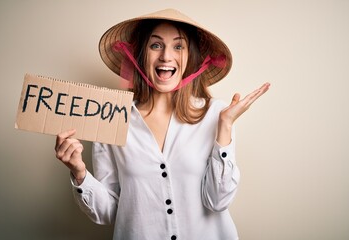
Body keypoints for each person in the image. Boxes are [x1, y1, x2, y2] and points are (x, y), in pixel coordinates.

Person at [55, 8, 270, 240]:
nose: (166, 56)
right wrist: (79, 172)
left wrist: (225, 127)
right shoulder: (111, 116)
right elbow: (108, 212)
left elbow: (218, 201)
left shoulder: (216, 114)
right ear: (140, 56)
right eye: (155, 45)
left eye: (178, 46)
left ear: (191, 58)